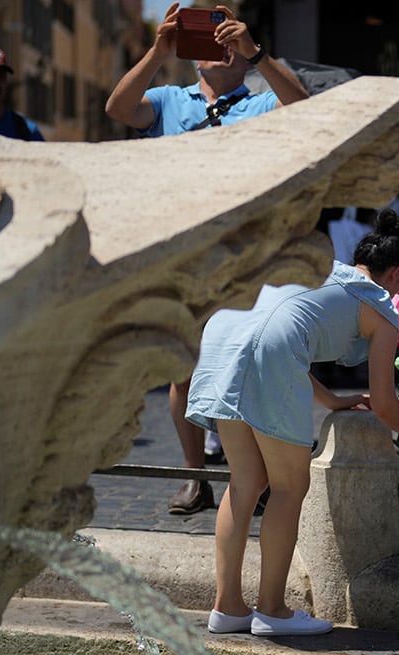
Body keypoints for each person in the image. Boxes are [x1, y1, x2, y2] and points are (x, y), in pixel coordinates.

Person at [106, 1, 309, 516]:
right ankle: (196, 477)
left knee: (250, 365)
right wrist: (158, 50)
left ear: (239, 54)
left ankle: (254, 475)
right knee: (183, 372)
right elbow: (118, 110)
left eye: (228, 42)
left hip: (246, 257)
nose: (217, 48)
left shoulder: (260, 102)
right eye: (208, 43)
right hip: (185, 256)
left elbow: (305, 112)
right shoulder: (169, 100)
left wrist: (258, 55)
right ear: (194, 57)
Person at [186, 210, 399, 637]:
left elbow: (279, 331)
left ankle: (228, 608)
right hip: (261, 349)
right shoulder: (379, 304)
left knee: (244, 482)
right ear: (398, 273)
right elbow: (386, 404)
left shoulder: (322, 271)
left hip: (222, 336)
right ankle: (272, 610)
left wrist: (331, 400)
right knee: (290, 487)